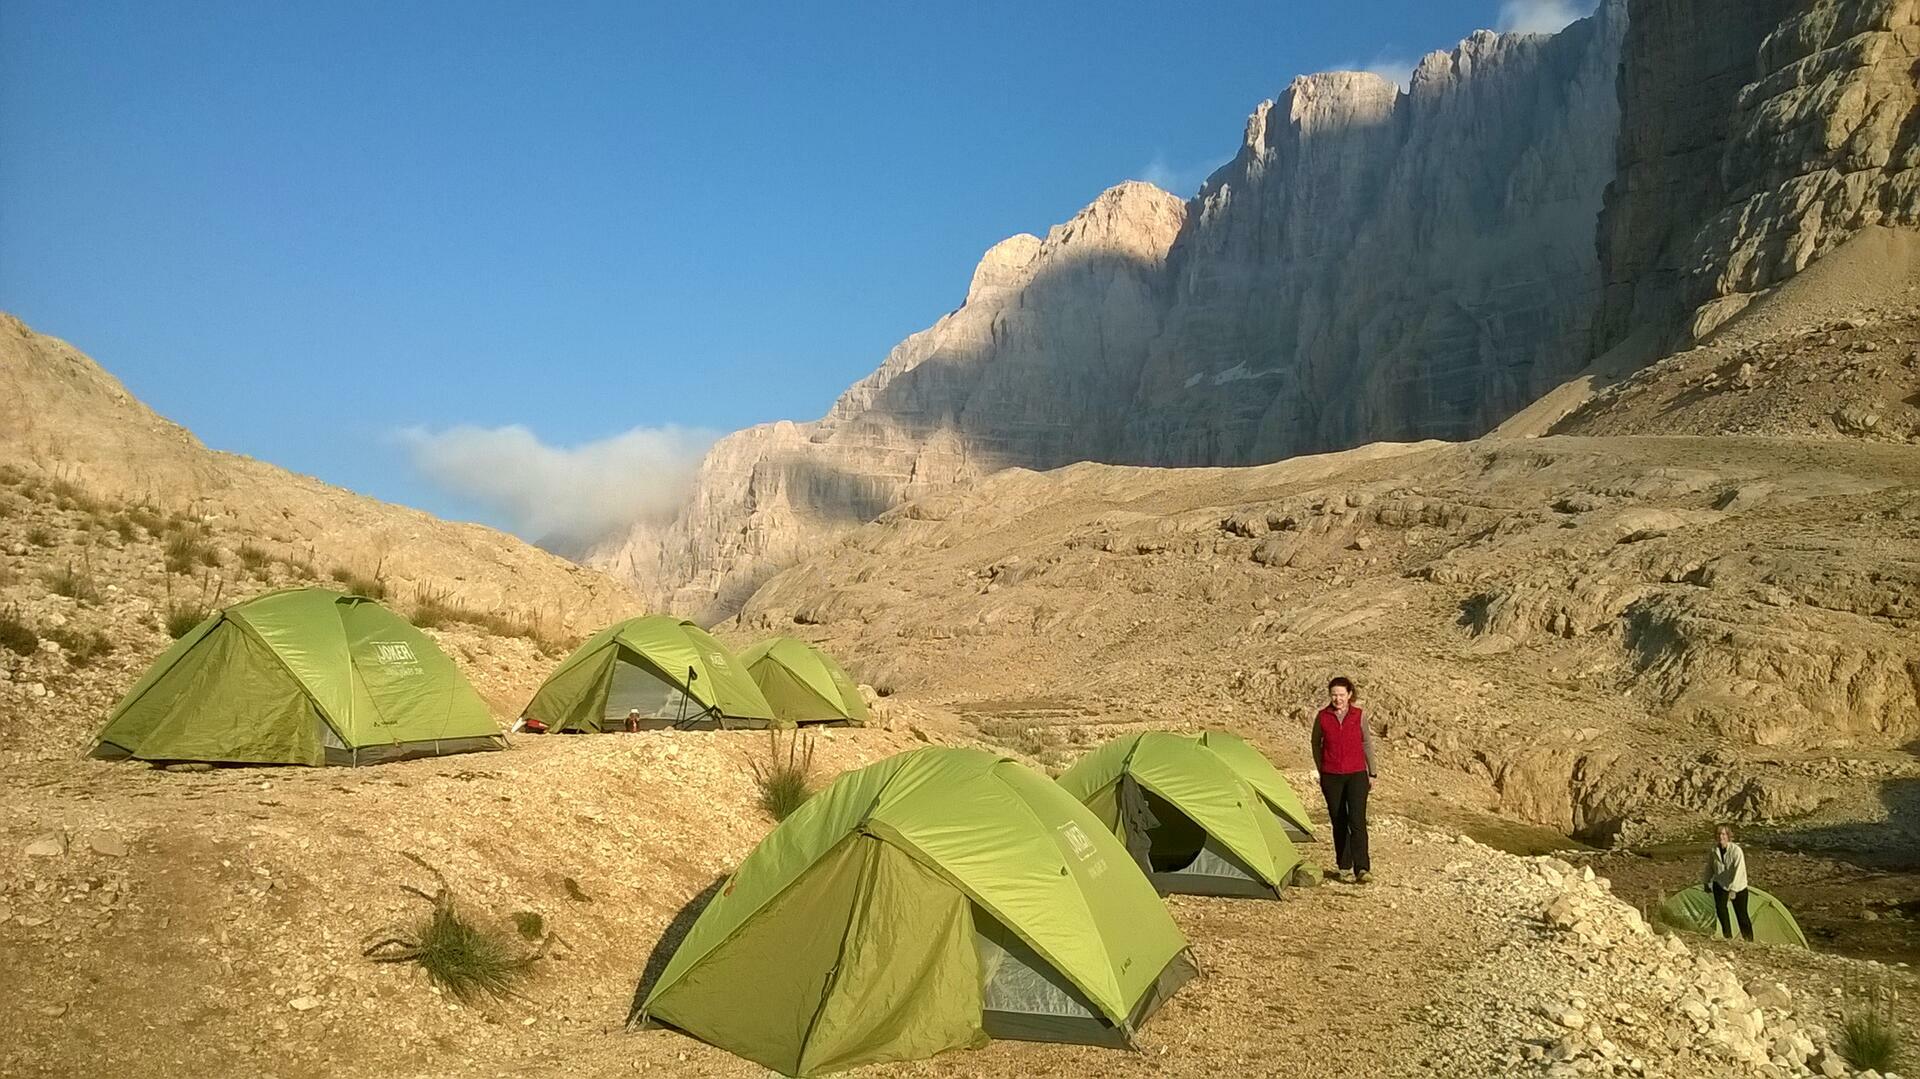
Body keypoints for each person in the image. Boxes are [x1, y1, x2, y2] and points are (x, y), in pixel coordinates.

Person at [1310, 676, 1376, 883]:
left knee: (1357, 821)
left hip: (1357, 774)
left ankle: (1362, 868)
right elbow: (1315, 743)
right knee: (1338, 820)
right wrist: (1322, 768)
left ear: (1349, 695)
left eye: (1341, 695)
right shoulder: (1323, 717)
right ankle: (1344, 866)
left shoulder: (1359, 715)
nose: (1337, 699)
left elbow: (1366, 743)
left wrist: (1372, 772)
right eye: (1334, 695)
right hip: (1331, 776)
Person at [1703, 824, 1754, 942]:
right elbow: (1710, 867)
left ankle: (1749, 939)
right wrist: (1706, 881)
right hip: (1720, 883)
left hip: (1738, 886)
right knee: (1721, 910)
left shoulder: (1736, 851)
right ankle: (1728, 936)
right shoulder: (1714, 850)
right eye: (1718, 834)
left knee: (1741, 914)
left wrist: (1734, 889)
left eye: (1723, 834)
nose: (1721, 837)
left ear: (1728, 836)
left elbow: (1739, 870)